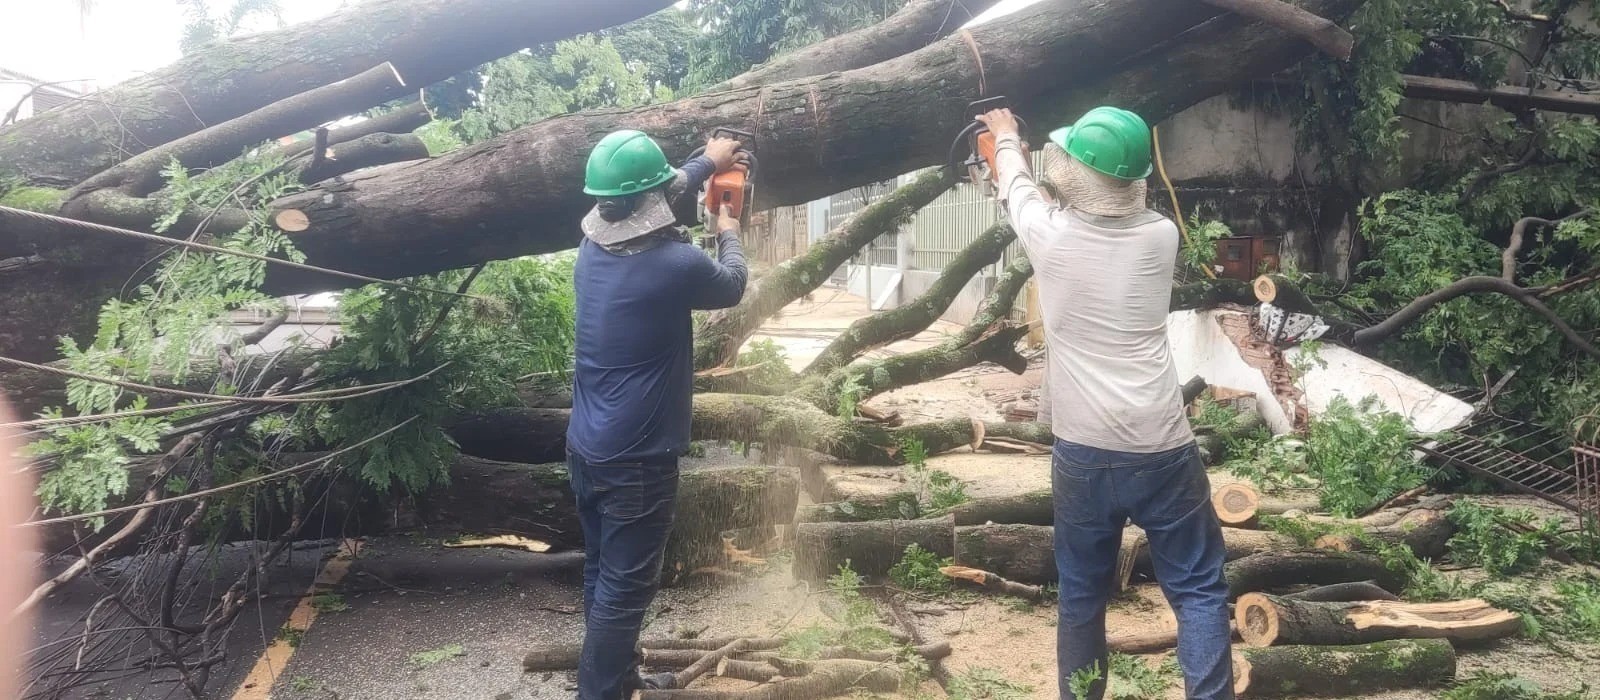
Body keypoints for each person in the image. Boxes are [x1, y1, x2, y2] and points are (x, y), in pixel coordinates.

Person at [976, 106, 1232, 700]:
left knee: (1082, 596)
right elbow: (1056, 206)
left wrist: (1006, 137)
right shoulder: (1161, 235)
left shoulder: (1050, 235)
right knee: (1198, 590)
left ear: (1075, 172)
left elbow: (1017, 187)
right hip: (1162, 445)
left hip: (1083, 452)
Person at [566, 130, 749, 700]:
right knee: (625, 589)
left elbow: (657, 192)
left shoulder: (591, 250)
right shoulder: (676, 263)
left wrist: (706, 163)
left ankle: (620, 682)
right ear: (651, 200)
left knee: (603, 573)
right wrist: (729, 230)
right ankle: (598, 694)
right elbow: (733, 286)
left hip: (586, 446)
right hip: (637, 462)